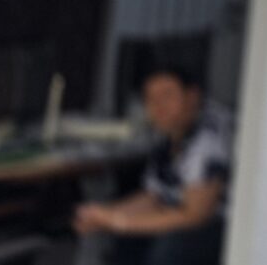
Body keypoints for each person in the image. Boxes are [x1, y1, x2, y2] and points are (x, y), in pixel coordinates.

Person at [72, 65, 231, 265]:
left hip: (220, 227)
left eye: (167, 96)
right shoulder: (169, 136)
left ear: (192, 96)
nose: (158, 106)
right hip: (179, 213)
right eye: (150, 99)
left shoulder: (208, 139)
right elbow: (154, 195)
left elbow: (195, 215)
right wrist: (104, 214)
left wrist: (119, 221)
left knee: (170, 246)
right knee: (126, 240)